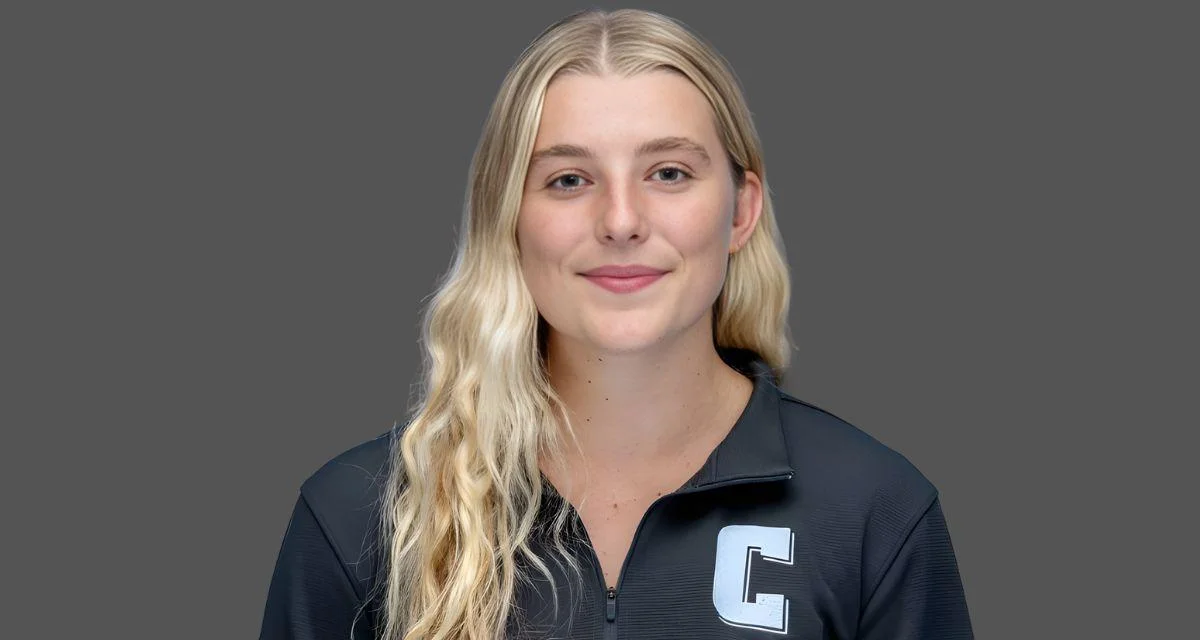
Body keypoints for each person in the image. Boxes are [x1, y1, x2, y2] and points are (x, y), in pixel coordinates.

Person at [259, 8, 973, 639]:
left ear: (741, 211)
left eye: (669, 173)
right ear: (508, 217)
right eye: (569, 180)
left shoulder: (874, 511)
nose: (622, 221)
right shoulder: (362, 515)